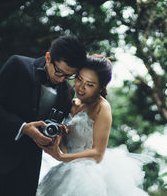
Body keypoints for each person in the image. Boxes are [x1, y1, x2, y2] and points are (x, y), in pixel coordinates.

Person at [0, 35, 87, 196]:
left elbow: (52, 129)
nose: (61, 79)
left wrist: (58, 135)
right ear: (48, 57)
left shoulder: (67, 91)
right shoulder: (18, 64)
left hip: (27, 174)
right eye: (59, 72)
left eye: (68, 76)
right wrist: (23, 127)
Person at [36, 54, 151, 196]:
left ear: (101, 87)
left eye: (90, 85)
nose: (81, 87)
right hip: (64, 171)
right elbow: (65, 148)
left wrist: (60, 157)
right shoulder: (70, 101)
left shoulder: (102, 108)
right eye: (79, 79)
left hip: (87, 177)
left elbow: (98, 154)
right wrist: (61, 139)